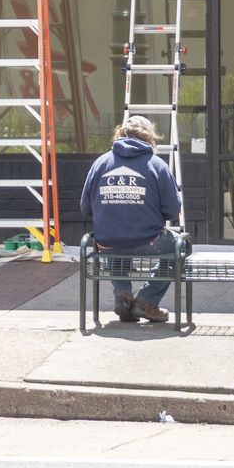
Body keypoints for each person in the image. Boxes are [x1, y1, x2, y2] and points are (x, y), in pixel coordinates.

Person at [80, 115, 183, 324]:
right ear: (149, 137)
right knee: (181, 246)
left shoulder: (100, 164)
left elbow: (85, 208)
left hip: (107, 242)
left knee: (114, 240)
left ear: (120, 134)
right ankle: (146, 300)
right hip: (148, 241)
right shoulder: (156, 165)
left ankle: (123, 295)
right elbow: (173, 210)